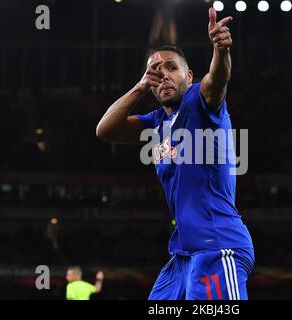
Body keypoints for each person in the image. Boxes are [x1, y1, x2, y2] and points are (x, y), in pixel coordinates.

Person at [96, 7, 254, 300]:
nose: (163, 75)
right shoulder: (155, 122)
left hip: (218, 246)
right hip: (182, 255)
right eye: (156, 70)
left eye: (171, 67)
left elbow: (216, 81)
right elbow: (105, 130)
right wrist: (141, 85)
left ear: (188, 75)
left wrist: (220, 51)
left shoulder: (199, 101)